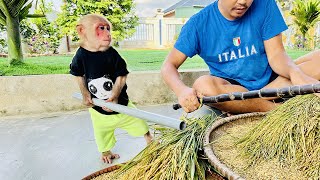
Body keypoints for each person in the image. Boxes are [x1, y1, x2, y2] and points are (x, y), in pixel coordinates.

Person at [161, 0, 320, 114]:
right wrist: (181, 90)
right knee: (203, 86)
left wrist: (296, 74)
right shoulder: (197, 24)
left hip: (274, 81)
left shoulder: (265, 4)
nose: (243, 2)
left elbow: (277, 54)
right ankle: (274, 110)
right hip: (234, 90)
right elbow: (169, 65)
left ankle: (251, 103)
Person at [70, 14, 153, 163]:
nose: (108, 33)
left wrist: (115, 95)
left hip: (122, 106)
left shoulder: (111, 54)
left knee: (139, 122)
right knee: (101, 133)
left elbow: (122, 75)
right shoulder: (80, 55)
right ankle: (106, 152)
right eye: (101, 28)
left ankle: (150, 140)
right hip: (98, 111)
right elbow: (78, 74)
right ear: (82, 31)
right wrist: (85, 93)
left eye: (108, 28)